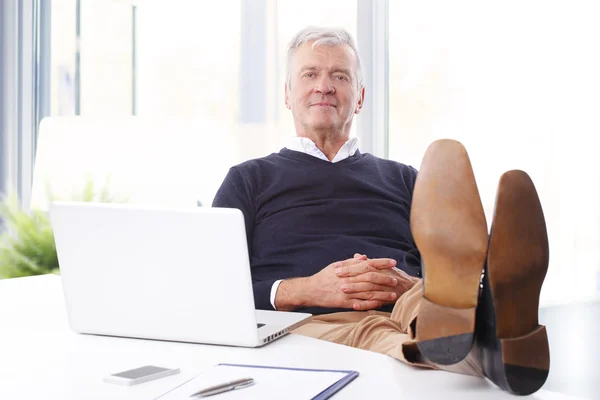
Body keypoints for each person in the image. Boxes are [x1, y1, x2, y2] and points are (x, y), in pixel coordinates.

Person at [213, 27, 549, 395]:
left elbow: (441, 267)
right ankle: (502, 336)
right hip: (314, 321)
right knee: (394, 339)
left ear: (358, 97)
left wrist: (406, 285)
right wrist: (305, 289)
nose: (324, 86)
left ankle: (472, 312)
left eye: (339, 76)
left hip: (410, 301)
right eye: (310, 74)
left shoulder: (404, 179)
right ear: (287, 94)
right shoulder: (249, 179)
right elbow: (212, 287)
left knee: (436, 302)